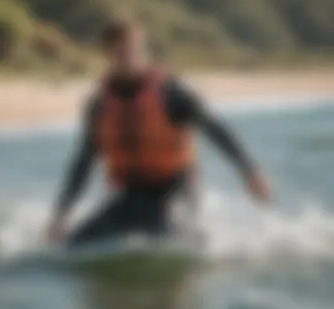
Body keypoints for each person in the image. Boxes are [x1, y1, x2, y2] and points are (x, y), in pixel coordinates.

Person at [45, 17, 270, 246]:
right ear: (108, 54)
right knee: (73, 245)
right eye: (122, 51)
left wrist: (249, 170)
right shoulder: (99, 106)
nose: (131, 57)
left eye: (135, 49)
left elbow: (214, 128)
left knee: (169, 236)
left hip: (176, 188)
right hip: (130, 194)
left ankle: (196, 237)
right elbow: (83, 162)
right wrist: (61, 213)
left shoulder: (171, 93)